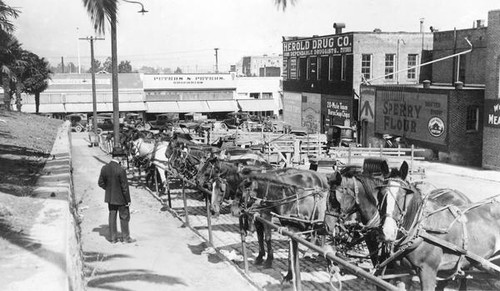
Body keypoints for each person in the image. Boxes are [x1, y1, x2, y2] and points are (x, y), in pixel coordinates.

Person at [98, 147, 135, 244]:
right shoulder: (121, 170)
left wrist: (109, 190)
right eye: (122, 157)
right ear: (118, 157)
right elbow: (124, 187)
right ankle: (126, 238)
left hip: (110, 197)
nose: (122, 159)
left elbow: (100, 183)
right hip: (121, 198)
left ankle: (113, 238)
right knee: (124, 217)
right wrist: (128, 200)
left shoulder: (105, 168)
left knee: (112, 216)